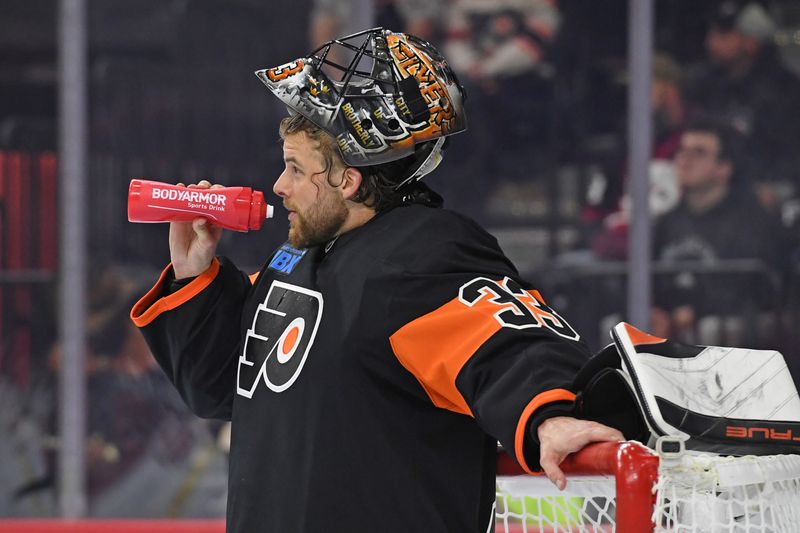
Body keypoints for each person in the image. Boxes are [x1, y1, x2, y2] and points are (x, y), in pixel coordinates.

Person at [130, 28, 622, 533]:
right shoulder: (302, 256)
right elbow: (218, 389)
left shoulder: (424, 254)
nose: (279, 187)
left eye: (296, 169)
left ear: (349, 179)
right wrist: (195, 275)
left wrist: (550, 415)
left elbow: (507, 341)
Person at [652, 119, 791, 346]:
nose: (685, 160)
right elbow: (654, 281)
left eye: (699, 153)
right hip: (673, 323)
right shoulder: (667, 223)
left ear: (724, 169)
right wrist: (660, 311)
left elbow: (751, 291)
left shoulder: (753, 222)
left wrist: (692, 312)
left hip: (733, 333)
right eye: (682, 151)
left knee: (710, 330)